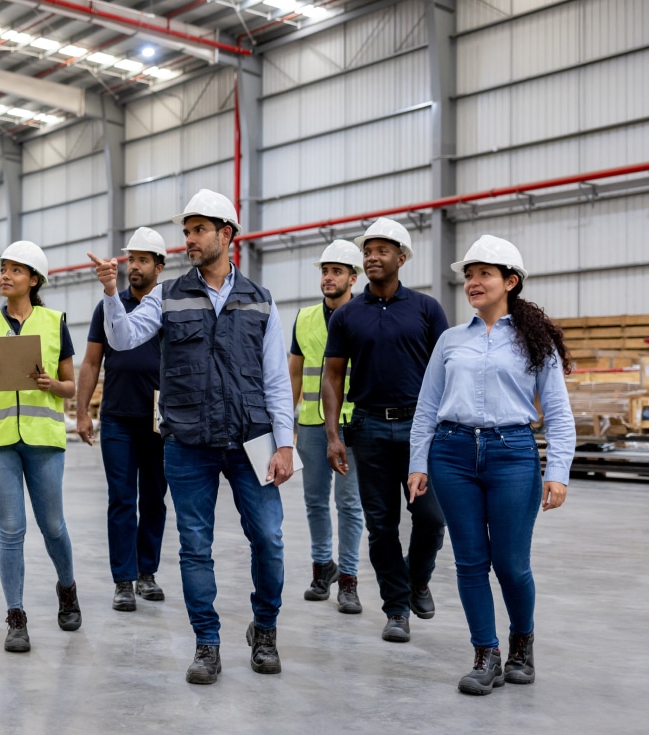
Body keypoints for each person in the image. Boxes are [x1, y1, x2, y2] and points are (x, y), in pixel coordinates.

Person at [88, 188, 295, 686]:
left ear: (226, 234)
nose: (188, 240)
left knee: (269, 538)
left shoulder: (261, 301)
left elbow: (275, 380)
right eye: (186, 231)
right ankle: (207, 642)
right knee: (195, 546)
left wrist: (285, 442)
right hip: (188, 439)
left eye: (198, 230)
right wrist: (112, 292)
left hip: (253, 436)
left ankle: (264, 630)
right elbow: (123, 338)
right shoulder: (168, 294)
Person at [407, 236, 574, 695]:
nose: (473, 282)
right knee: (469, 561)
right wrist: (418, 462)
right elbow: (427, 407)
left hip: (513, 454)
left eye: (484, 274)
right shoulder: (449, 340)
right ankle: (486, 654)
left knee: (511, 562)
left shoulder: (534, 342)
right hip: (452, 454)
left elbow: (558, 412)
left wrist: (557, 471)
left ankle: (522, 644)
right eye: (469, 275)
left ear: (510, 282)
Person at [321, 217, 448, 644]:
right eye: (368, 250)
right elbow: (332, 376)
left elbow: (446, 372)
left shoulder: (427, 310)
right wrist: (333, 435)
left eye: (382, 249)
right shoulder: (348, 315)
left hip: (419, 428)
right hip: (369, 427)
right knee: (382, 527)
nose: (372, 256)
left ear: (402, 257)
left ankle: (417, 580)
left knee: (431, 519)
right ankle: (396, 609)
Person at [0, 240, 81, 654]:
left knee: (53, 526)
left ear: (34, 280)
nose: (5, 276)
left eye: (16, 270)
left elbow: (71, 385)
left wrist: (53, 385)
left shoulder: (54, 323)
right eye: (3, 269)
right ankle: (16, 617)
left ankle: (67, 588)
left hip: (43, 440)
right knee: (11, 529)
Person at [76, 227, 169, 613]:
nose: (135, 266)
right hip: (116, 417)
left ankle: (147, 572)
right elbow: (92, 361)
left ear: (159, 266)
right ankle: (123, 581)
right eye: (132, 259)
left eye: (143, 260)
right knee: (121, 499)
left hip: (159, 419)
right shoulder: (108, 307)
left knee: (154, 498)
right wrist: (82, 411)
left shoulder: (170, 306)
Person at [288, 240, 364, 614]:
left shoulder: (367, 315)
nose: (328, 277)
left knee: (349, 504)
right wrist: (285, 423)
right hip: (312, 424)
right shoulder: (304, 319)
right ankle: (323, 570)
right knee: (314, 501)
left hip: (353, 425)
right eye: (324, 271)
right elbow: (295, 374)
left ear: (353, 277)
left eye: (336, 271)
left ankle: (348, 579)